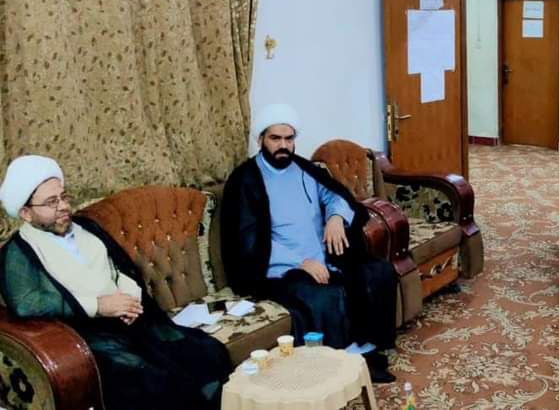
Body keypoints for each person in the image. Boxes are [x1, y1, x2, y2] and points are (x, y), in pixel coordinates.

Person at [0, 155, 230, 410]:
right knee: (153, 382)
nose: (63, 206)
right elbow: (27, 303)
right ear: (26, 213)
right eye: (51, 202)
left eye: (64, 197)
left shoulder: (86, 227)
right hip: (92, 338)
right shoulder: (17, 253)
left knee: (207, 353)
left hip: (132, 320)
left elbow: (120, 268)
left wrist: (130, 299)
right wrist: (100, 306)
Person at [220, 104, 398, 382]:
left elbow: (335, 196)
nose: (283, 145)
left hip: (324, 256)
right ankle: (341, 362)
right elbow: (248, 240)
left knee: (379, 272)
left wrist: (336, 217)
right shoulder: (245, 179)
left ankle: (367, 347)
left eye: (289, 138)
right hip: (281, 268)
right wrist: (301, 263)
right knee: (324, 297)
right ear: (261, 139)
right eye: (275, 138)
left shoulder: (304, 168)